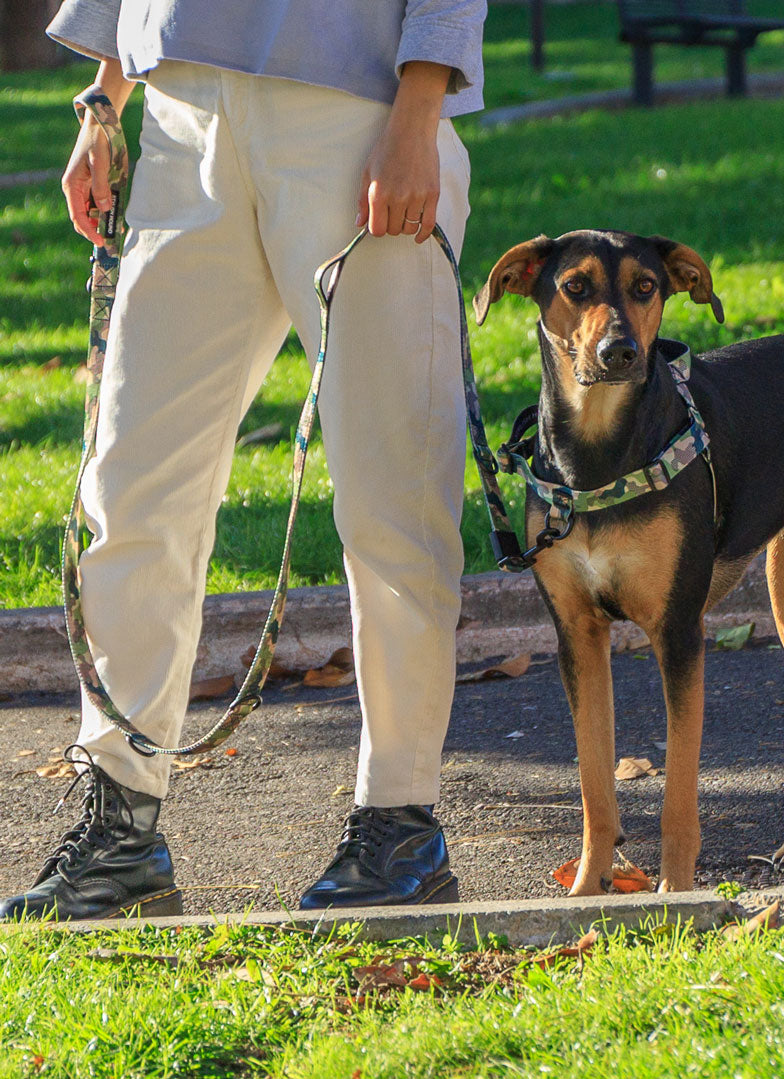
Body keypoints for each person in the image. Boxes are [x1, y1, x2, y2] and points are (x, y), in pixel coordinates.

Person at [0, 0, 486, 921]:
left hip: (357, 112)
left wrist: (420, 110)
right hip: (182, 109)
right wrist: (103, 98)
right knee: (131, 484)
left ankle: (400, 825)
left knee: (392, 493)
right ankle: (121, 828)